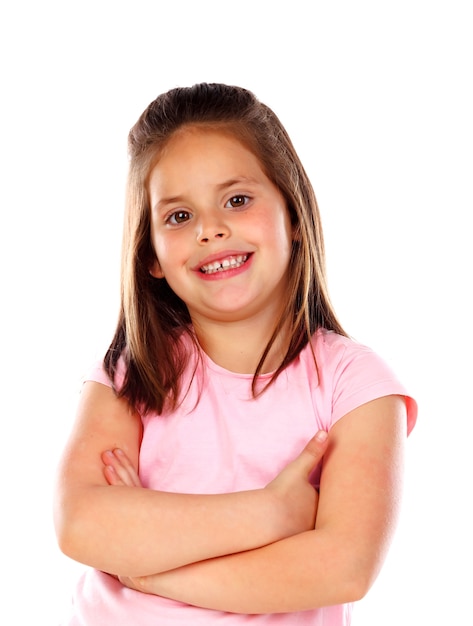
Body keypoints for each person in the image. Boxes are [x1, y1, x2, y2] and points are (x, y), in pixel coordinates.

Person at [53, 82, 417, 626]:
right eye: (178, 217)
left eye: (237, 200)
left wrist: (150, 570)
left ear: (293, 217)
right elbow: (81, 525)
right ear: (150, 255)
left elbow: (344, 566)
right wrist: (270, 514)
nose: (211, 229)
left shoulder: (355, 385)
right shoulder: (131, 374)